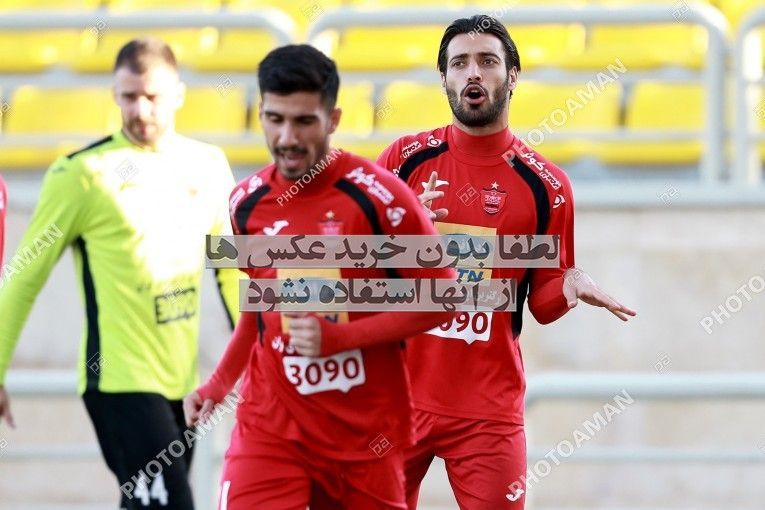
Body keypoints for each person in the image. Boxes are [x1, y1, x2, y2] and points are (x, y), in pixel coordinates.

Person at [376, 15, 637, 509]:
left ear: (512, 75)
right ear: (444, 78)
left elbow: (541, 302)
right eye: (459, 63)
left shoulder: (547, 185)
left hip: (487, 411)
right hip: (395, 399)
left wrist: (568, 283)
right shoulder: (403, 160)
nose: (473, 72)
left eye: (487, 61)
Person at [183, 44, 458, 510]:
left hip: (363, 437)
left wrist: (339, 338)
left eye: (304, 122)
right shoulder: (246, 202)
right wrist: (220, 382)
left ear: (333, 119)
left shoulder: (382, 199)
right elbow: (264, 302)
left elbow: (444, 297)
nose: (286, 137)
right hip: (271, 428)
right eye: (274, 119)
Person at [0, 37, 240, 509]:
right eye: (129, 96)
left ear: (179, 94)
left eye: (152, 96)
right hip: (118, 381)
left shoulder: (208, 166)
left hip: (183, 385)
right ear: (114, 94)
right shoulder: (82, 174)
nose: (140, 110)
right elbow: (23, 276)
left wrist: (258, 353)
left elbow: (233, 270)